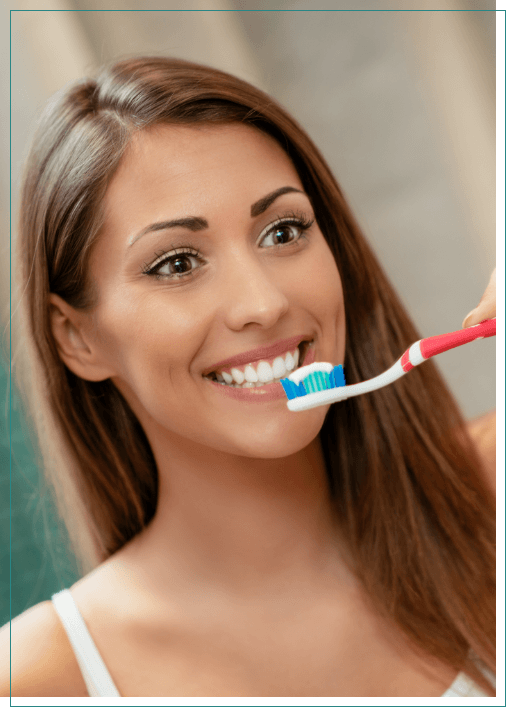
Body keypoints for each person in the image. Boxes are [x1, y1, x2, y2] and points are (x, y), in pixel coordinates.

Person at [1, 57, 496, 698]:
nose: (262, 303)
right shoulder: (38, 677)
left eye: (284, 230)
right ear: (76, 337)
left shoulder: (489, 492)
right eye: (177, 264)